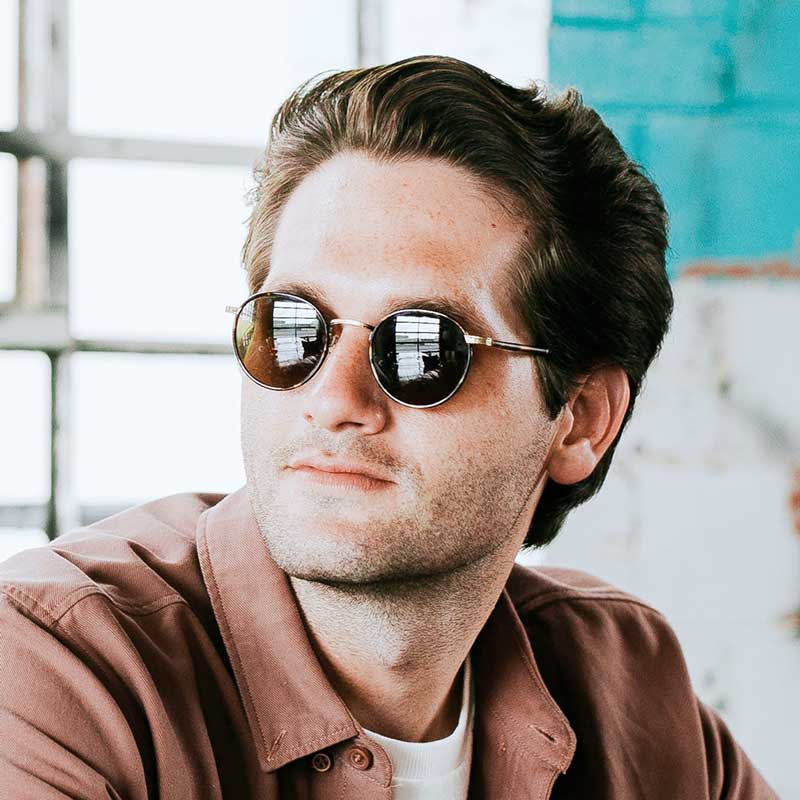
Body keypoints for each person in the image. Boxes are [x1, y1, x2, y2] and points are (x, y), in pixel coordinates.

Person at [0, 55, 778, 799]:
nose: (333, 399)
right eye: (293, 328)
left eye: (421, 347)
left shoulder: (627, 685)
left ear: (578, 420)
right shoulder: (53, 671)